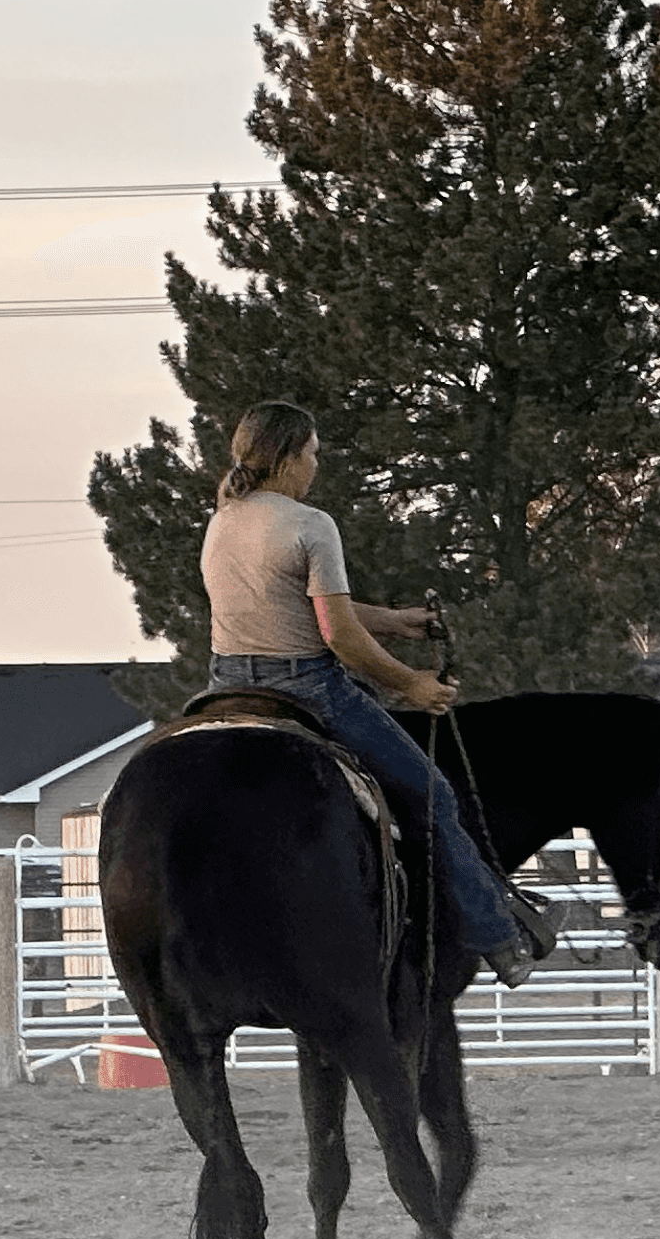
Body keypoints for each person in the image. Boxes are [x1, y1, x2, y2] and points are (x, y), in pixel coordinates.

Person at [200, 401, 555, 987]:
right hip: (309, 687)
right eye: (312, 454)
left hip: (226, 684)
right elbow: (338, 636)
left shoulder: (223, 521)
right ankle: (501, 936)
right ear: (289, 457)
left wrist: (393, 621)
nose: (316, 466)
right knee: (434, 795)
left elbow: (301, 604)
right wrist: (412, 684)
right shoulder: (310, 524)